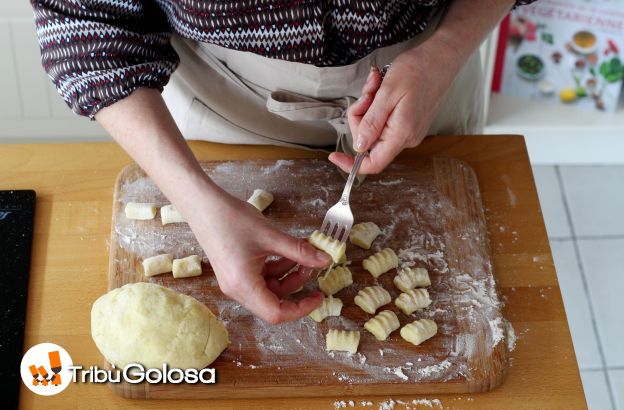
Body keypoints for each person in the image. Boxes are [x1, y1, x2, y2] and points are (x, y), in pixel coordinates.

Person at [32, 0, 534, 324]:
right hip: (224, 97)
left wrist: (445, 51)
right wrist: (197, 200)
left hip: (431, 67)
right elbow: (84, 22)